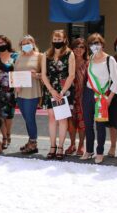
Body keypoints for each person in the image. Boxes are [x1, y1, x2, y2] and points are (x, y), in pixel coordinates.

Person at [80, 33, 117, 164]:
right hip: (88, 93)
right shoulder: (90, 58)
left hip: (102, 96)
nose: (95, 46)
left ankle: (99, 152)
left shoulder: (110, 60)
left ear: (102, 44)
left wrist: (109, 98)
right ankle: (89, 150)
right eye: (92, 43)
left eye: (97, 43)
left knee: (100, 126)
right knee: (87, 123)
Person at [41, 30, 75, 160]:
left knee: (62, 119)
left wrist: (61, 92)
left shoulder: (69, 54)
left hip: (64, 89)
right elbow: (43, 74)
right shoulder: (46, 54)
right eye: (54, 39)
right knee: (51, 118)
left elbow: (71, 75)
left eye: (59, 39)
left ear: (65, 39)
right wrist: (51, 90)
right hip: (51, 89)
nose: (57, 41)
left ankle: (60, 146)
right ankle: (52, 146)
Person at [14, 35, 43, 154]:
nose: (26, 45)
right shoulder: (19, 56)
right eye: (23, 44)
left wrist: (36, 75)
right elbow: (15, 73)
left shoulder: (40, 56)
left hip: (32, 91)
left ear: (33, 43)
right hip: (20, 91)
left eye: (28, 43)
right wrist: (15, 84)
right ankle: (31, 140)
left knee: (30, 118)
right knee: (26, 118)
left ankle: (33, 142)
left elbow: (44, 75)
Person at [0, 35, 18, 149]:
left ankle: (8, 134)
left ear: (7, 42)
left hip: (10, 91)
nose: (0, 44)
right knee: (0, 116)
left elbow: (19, 70)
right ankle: (4, 137)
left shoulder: (15, 55)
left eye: (2, 42)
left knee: (9, 116)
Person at [64, 38, 88, 156]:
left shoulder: (89, 63)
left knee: (82, 122)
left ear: (85, 49)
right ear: (71, 49)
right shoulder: (67, 61)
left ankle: (81, 145)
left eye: (82, 47)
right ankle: (72, 144)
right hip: (69, 96)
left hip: (83, 97)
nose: (79, 49)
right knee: (70, 122)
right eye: (76, 47)